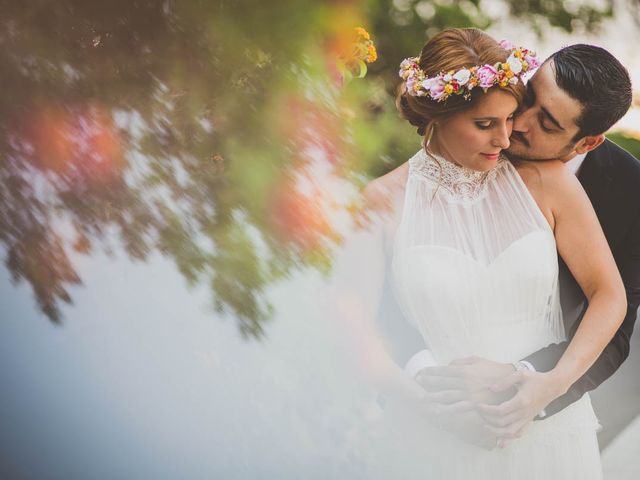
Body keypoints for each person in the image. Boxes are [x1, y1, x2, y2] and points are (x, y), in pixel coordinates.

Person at [332, 28, 626, 479]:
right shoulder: (380, 202)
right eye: (487, 124)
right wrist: (428, 405)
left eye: (512, 119)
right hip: (433, 437)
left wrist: (547, 386)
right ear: (437, 114)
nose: (507, 138)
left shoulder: (549, 181)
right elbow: (353, 331)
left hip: (548, 440)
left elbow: (610, 296)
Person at [413, 42, 639, 443]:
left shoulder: (632, 194)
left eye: (548, 124)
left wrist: (529, 381)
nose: (517, 125)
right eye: (529, 97)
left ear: (587, 143)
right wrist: (419, 377)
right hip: (432, 390)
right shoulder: (483, 124)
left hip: (532, 414)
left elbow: (616, 327)